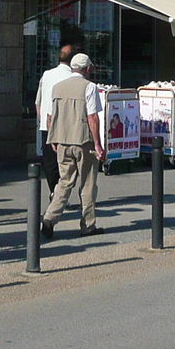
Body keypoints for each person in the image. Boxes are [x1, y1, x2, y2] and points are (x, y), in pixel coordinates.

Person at [41, 53, 106, 239]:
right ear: (86, 69)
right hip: (83, 140)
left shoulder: (58, 87)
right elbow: (92, 117)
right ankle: (88, 225)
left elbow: (50, 115)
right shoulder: (90, 87)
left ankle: (49, 217)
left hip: (62, 139)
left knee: (64, 181)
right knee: (87, 183)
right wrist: (98, 144)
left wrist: (52, 138)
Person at [35, 43, 75, 196]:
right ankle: (61, 194)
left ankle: (53, 191)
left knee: (50, 162)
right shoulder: (71, 77)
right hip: (65, 126)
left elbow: (38, 101)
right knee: (65, 162)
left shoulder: (47, 74)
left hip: (47, 124)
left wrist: (42, 119)